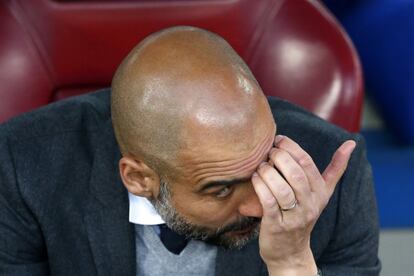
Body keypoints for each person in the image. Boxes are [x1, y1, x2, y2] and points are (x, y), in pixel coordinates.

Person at [0, 26, 380, 275]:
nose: (258, 205)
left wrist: (292, 261)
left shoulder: (330, 171)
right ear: (138, 177)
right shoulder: (25, 165)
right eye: (221, 189)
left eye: (263, 164)